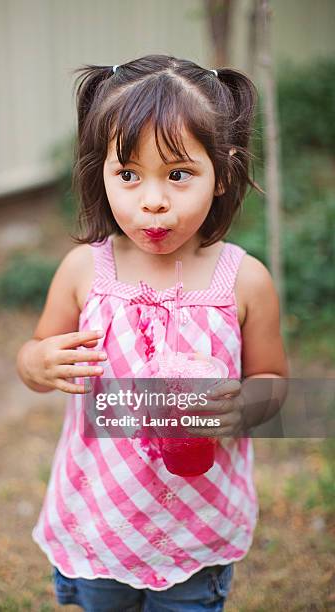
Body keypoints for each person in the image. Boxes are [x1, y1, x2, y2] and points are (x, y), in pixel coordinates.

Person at [17, 54, 289, 611]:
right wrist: (39, 363)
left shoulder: (245, 281)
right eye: (128, 174)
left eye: (179, 173)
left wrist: (245, 406)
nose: (153, 199)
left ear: (223, 173)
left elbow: (274, 381)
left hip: (197, 528)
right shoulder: (84, 272)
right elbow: (34, 359)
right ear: (103, 175)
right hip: (102, 517)